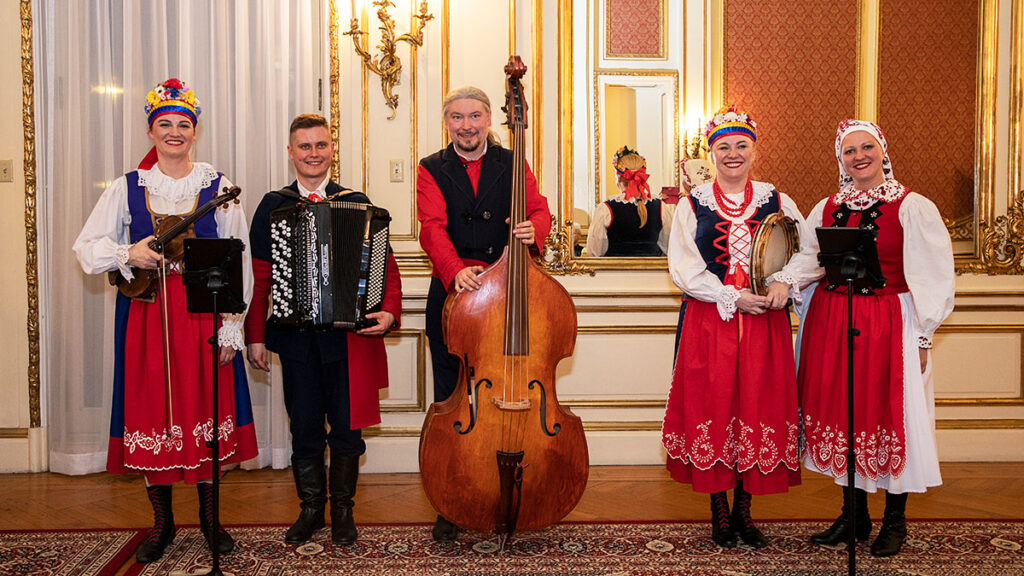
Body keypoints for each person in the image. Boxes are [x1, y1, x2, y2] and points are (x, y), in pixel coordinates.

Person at [72, 78, 258, 563]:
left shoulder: (219, 186)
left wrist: (232, 327)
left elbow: (240, 258)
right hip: (148, 316)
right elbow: (87, 250)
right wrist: (127, 252)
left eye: (183, 125)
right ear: (151, 131)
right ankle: (162, 523)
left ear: (194, 132)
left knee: (205, 411)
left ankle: (210, 520)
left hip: (204, 313)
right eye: (164, 125)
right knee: (154, 410)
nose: (174, 132)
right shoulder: (126, 187)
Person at [792, 119, 954, 557]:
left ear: (882, 151)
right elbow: (809, 261)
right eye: (849, 150)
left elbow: (933, 277)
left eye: (867, 147)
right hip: (835, 321)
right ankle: (854, 515)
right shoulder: (825, 207)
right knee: (847, 414)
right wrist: (780, 284)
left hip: (889, 321)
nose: (859, 156)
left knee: (891, 416)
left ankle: (895, 520)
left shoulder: (911, 205)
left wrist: (922, 337)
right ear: (840, 160)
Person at [245, 113, 403, 546]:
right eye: (305, 146)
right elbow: (259, 276)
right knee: (306, 426)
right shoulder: (272, 206)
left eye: (321, 145)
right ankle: (312, 509)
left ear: (332, 149)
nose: (313, 154)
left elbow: (384, 266)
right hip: (295, 342)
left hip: (347, 340)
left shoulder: (357, 200)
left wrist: (388, 312)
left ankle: (343, 512)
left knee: (348, 428)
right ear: (291, 152)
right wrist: (255, 335)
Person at [661, 105, 806, 549]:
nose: (733, 154)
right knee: (715, 406)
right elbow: (683, 266)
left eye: (741, 145)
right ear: (711, 153)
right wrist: (729, 295)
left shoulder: (778, 200)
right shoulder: (693, 203)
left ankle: (745, 508)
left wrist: (784, 281)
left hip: (765, 321)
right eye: (723, 146)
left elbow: (808, 251)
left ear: (754, 151)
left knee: (757, 407)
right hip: (713, 319)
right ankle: (719, 511)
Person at [416, 86, 551, 541]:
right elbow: (431, 229)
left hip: (506, 294)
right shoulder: (430, 168)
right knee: (452, 399)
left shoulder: (513, 162)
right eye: (457, 117)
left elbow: (537, 209)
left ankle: (513, 489)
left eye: (475, 116)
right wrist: (455, 271)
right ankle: (451, 501)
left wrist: (537, 230)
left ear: (490, 119)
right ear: (446, 122)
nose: (467, 125)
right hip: (454, 297)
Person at [586, 145, 672, 257]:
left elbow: (594, 253)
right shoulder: (661, 207)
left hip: (615, 273)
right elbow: (670, 248)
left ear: (618, 176)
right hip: (652, 273)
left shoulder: (606, 208)